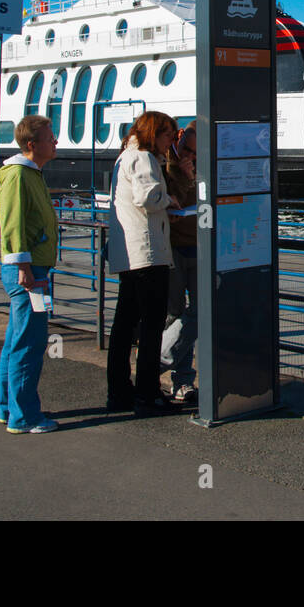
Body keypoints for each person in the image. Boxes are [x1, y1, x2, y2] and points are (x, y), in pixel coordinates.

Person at [106, 111, 179, 413]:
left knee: (124, 326)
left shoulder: (125, 155)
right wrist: (170, 200)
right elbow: (148, 197)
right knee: (151, 326)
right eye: (168, 137)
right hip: (148, 254)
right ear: (155, 133)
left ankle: (120, 392)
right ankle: (147, 393)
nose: (170, 143)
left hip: (129, 255)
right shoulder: (143, 158)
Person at [0, 115, 60, 434]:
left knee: (16, 340)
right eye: (50, 138)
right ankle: (24, 417)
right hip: (30, 271)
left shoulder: (30, 173)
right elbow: (13, 221)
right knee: (30, 343)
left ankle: (9, 408)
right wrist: (22, 265)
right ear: (32, 145)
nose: (56, 141)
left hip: (32, 268)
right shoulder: (19, 175)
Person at [162, 122, 198, 404]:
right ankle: (180, 378)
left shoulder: (207, 162)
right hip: (174, 245)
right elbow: (171, 202)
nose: (191, 156)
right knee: (174, 312)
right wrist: (186, 176)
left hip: (200, 244)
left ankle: (175, 372)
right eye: (187, 149)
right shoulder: (166, 165)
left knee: (200, 311)